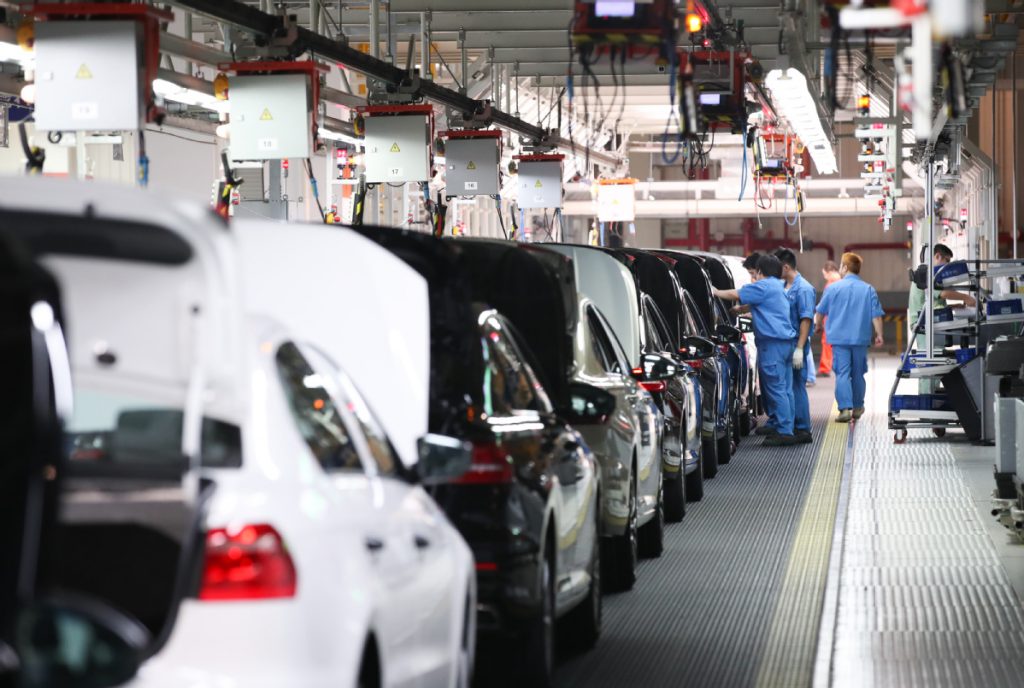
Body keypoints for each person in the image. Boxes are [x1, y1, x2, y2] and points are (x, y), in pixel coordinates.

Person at [714, 254, 798, 446]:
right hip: (785, 343)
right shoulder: (779, 286)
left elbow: (735, 294)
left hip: (772, 344)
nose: (754, 277)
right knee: (785, 388)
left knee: (776, 387)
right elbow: (765, 305)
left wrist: (716, 291)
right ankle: (781, 424)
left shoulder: (763, 286)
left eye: (754, 273)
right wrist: (742, 310)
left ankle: (784, 431)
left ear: (760, 272)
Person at [813, 252, 885, 423]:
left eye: (841, 266)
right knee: (858, 373)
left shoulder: (832, 288)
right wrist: (879, 334)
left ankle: (845, 409)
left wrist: (818, 325)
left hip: (839, 340)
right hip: (860, 339)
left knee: (843, 373)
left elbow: (820, 311)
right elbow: (876, 316)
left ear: (845, 268)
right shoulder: (868, 289)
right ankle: (858, 407)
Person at [775, 248, 816, 444]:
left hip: (796, 344)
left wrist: (800, 348)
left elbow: (805, 320)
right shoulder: (784, 286)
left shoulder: (804, 289)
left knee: (797, 385)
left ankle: (803, 428)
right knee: (788, 387)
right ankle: (790, 426)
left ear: (786, 267)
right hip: (785, 344)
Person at [817, 260, 841, 377]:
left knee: (827, 343)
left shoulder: (830, 285)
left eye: (825, 274)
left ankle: (825, 368)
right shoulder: (844, 282)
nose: (825, 277)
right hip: (842, 318)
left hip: (831, 318)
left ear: (830, 272)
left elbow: (824, 305)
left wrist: (818, 322)